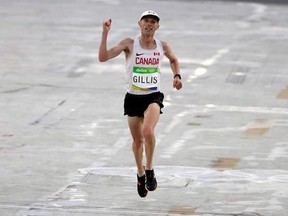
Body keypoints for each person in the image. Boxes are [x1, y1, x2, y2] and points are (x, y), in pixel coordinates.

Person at [98, 10, 182, 198]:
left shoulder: (162, 45)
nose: (149, 24)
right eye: (146, 20)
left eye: (153, 21)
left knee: (148, 132)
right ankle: (140, 173)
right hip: (133, 97)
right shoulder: (129, 44)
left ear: (157, 26)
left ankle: (150, 169)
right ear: (140, 23)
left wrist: (177, 76)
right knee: (138, 141)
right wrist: (105, 33)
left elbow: (174, 60)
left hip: (153, 96)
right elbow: (103, 57)